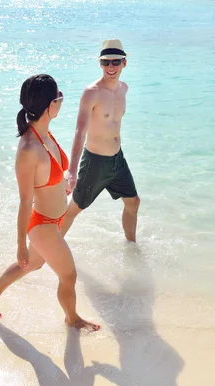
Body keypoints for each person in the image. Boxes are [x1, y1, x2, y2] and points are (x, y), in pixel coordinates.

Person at [0, 74, 100, 331]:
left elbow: (48, 178)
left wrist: (64, 184)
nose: (61, 101)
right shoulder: (28, 150)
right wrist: (21, 244)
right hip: (43, 225)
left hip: (56, 219)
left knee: (33, 265)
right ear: (49, 105)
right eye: (59, 97)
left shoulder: (45, 134)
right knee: (68, 275)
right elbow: (25, 201)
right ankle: (72, 319)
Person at [60, 39, 141, 242]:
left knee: (133, 202)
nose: (110, 67)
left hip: (117, 159)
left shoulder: (124, 88)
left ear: (124, 63)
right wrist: (72, 170)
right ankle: (50, 248)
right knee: (74, 209)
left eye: (115, 62)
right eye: (106, 62)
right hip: (95, 162)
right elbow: (79, 132)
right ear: (100, 64)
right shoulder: (91, 93)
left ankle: (131, 246)